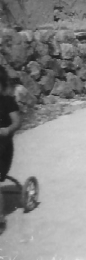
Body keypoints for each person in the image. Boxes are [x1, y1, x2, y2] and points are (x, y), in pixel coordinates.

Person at [0, 66, 21, 233]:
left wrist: (8, 130)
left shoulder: (7, 102)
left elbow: (16, 122)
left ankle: (0, 218)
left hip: (3, 148)